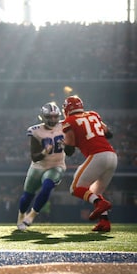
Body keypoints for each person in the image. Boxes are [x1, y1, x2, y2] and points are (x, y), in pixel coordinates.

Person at [62, 95, 117, 232]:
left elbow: (69, 150)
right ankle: (105, 222)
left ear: (67, 109)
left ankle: (100, 203)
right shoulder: (93, 114)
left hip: (98, 156)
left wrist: (62, 142)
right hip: (112, 156)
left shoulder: (69, 120)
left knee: (75, 188)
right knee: (95, 191)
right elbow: (109, 134)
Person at [16, 102, 68, 231]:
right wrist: (45, 151)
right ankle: (21, 215)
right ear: (43, 117)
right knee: (28, 195)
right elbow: (34, 157)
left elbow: (71, 151)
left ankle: (32, 215)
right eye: (50, 117)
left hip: (57, 165)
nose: (53, 119)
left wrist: (68, 144)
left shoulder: (65, 126)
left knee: (47, 186)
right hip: (38, 166)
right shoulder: (35, 131)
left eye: (55, 116)